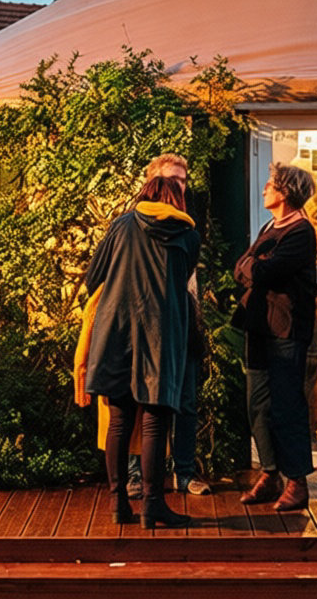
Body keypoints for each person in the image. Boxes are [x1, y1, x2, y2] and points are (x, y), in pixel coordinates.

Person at [76, 174, 201, 528]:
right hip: (161, 336)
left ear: (144, 194)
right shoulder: (189, 236)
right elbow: (181, 279)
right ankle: (153, 505)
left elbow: (92, 277)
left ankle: (117, 504)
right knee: (154, 424)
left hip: (115, 332)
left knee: (119, 421)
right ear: (177, 200)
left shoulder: (121, 225)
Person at [235, 163, 317, 512]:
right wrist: (253, 265)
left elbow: (262, 270)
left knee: (286, 404)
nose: (265, 189)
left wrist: (253, 265)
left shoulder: (300, 231)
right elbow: (240, 266)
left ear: (285, 192)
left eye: (270, 184)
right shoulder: (271, 225)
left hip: (285, 327)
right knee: (257, 402)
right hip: (258, 325)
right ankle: (270, 473)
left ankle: (297, 480)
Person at [137, 154, 212, 497]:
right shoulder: (134, 224)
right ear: (154, 182)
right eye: (171, 180)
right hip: (145, 324)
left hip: (183, 317)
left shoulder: (188, 227)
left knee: (185, 400)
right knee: (141, 400)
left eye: (183, 180)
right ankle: (137, 475)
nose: (179, 186)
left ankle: (183, 472)